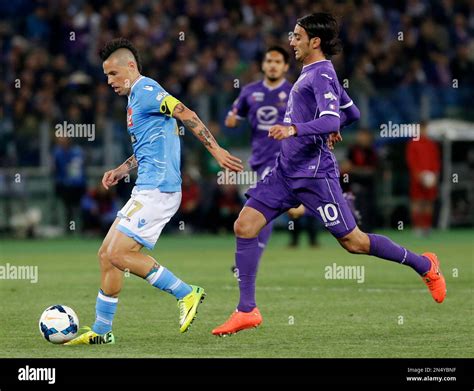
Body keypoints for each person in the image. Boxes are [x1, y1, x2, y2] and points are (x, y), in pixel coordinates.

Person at [212, 13, 446, 336]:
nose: (291, 41)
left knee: (354, 242)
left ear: (314, 41)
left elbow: (333, 121)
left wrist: (297, 128)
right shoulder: (311, 73)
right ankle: (247, 309)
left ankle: (425, 265)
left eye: (297, 36)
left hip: (314, 174)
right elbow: (351, 113)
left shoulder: (321, 74)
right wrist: (327, 127)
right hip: (284, 171)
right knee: (244, 225)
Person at [66, 38, 243, 345]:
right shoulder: (136, 99)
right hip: (144, 188)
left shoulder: (146, 90)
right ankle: (102, 330)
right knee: (107, 255)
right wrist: (123, 168)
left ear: (130, 67)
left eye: (112, 73)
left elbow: (185, 113)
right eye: (106, 75)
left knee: (120, 253)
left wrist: (215, 151)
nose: (108, 81)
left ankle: (186, 293)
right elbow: (149, 146)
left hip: (158, 190)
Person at [225, 46, 292, 266]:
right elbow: (233, 116)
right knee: (284, 208)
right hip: (260, 157)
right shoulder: (249, 91)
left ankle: (247, 261)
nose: (273, 65)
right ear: (263, 65)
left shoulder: (294, 92)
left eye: (278, 62)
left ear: (285, 67)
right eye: (269, 61)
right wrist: (232, 119)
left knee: (261, 205)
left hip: (285, 157)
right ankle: (336, 203)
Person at [406, 121, 441, 236]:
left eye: (425, 129)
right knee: (417, 202)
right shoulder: (413, 143)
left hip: (430, 177)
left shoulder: (431, 144)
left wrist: (435, 175)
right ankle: (417, 227)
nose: (424, 131)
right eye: (422, 129)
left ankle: (427, 227)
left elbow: (436, 161)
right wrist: (418, 176)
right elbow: (411, 161)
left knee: (429, 203)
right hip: (417, 179)